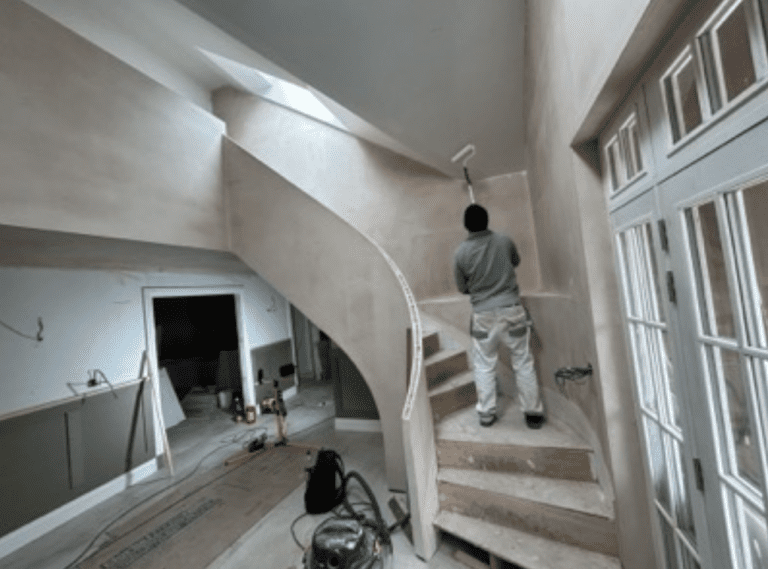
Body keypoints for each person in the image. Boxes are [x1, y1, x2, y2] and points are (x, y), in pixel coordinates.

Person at [453, 204, 545, 429]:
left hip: (483, 315)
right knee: (522, 361)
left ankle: (486, 414)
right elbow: (515, 262)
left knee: (484, 365)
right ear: (487, 220)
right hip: (512, 310)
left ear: (466, 226)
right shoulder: (504, 241)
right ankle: (533, 414)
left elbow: (462, 288)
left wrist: (480, 286)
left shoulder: (460, 253)